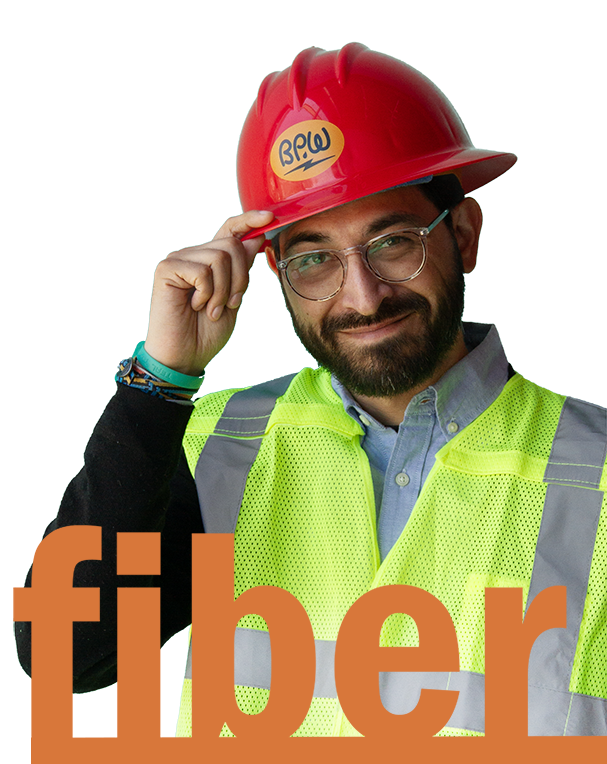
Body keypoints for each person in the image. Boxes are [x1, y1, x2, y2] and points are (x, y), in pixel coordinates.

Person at [15, 43, 607, 737]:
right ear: (272, 274)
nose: (360, 297)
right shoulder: (219, 449)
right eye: (314, 259)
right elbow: (63, 657)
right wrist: (158, 384)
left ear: (465, 237)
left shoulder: (593, 470)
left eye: (393, 243)